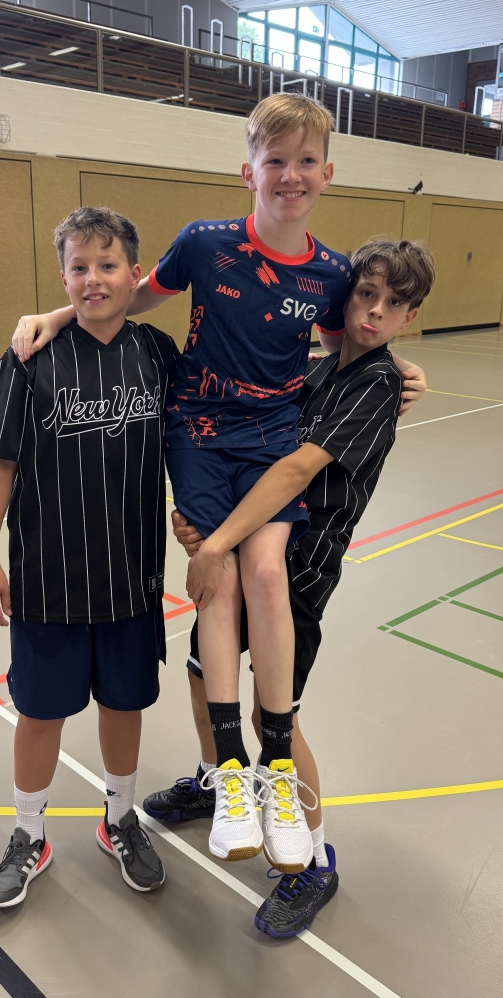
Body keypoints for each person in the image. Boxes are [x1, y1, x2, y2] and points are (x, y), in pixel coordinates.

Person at [10, 94, 427, 879]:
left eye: (307, 162)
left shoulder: (334, 274)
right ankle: (228, 772)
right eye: (276, 161)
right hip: (198, 432)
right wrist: (55, 315)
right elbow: (127, 298)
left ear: (328, 174)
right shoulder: (206, 245)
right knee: (221, 591)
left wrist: (396, 364)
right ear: (248, 171)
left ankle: (274, 766)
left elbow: (345, 343)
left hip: (272, 439)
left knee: (261, 573)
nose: (291, 175)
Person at [145, 238, 434, 938]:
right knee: (201, 670)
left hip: (296, 569)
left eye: (394, 304)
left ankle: (316, 859)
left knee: (276, 714)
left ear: (410, 316)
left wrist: (216, 541)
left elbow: (293, 471)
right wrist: (205, 519)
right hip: (247, 546)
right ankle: (220, 779)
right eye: (366, 295)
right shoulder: (320, 367)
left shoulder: (376, 384)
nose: (375, 312)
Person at [0, 206, 178, 908]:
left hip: (132, 577)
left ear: (133, 274)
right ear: (63, 277)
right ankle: (29, 833)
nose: (94, 279)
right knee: (41, 712)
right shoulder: (28, 358)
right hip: (47, 578)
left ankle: (119, 819)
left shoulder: (158, 354)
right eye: (79, 267)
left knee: (124, 703)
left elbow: (213, 423)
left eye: (107, 265)